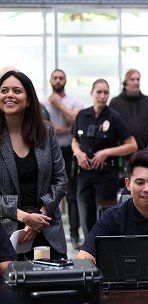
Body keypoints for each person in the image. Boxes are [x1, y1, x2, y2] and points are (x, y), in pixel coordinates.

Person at [0, 70, 68, 260]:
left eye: (17, 91)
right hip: (7, 233)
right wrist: (24, 217)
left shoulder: (46, 132)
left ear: (29, 100)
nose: (9, 95)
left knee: (53, 285)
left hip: (47, 227)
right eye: (4, 90)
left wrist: (39, 216)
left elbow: (61, 180)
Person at [71, 79, 137, 237]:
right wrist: (78, 153)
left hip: (106, 175)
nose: (102, 96)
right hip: (85, 173)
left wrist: (106, 152)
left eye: (106, 92)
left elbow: (132, 145)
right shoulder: (82, 115)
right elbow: (75, 140)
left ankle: (104, 252)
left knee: (104, 217)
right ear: (91, 93)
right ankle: (88, 253)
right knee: (86, 215)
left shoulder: (114, 117)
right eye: (99, 92)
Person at [41, 69, 84, 250]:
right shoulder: (41, 102)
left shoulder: (73, 102)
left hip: (68, 151)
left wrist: (59, 105)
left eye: (61, 78)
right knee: (48, 194)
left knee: (72, 196)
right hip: (46, 152)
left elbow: (77, 120)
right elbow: (42, 126)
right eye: (55, 78)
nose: (58, 81)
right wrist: (61, 129)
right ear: (50, 80)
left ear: (65, 80)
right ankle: (46, 234)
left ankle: (74, 236)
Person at [109, 69, 148, 149]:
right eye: (132, 79)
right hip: (121, 152)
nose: (136, 82)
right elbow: (110, 128)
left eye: (138, 79)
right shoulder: (115, 102)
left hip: (142, 150)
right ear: (125, 82)